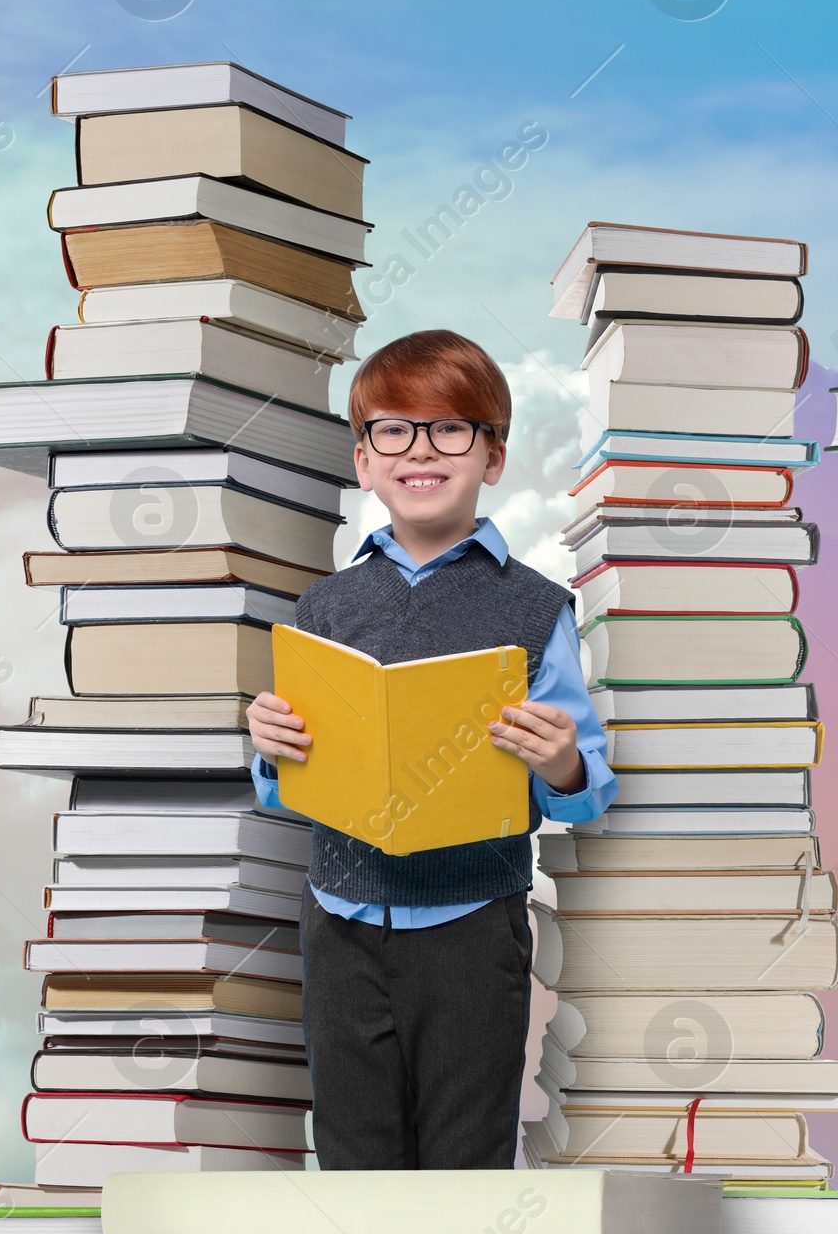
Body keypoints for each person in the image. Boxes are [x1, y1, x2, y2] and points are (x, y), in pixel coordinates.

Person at [248, 329, 617, 1170]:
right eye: (394, 430)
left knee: (463, 1160)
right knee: (353, 1153)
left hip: (471, 928)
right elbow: (284, 790)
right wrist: (272, 750)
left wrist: (559, 761)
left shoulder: (535, 608)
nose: (421, 449)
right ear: (364, 461)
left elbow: (586, 785)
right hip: (339, 923)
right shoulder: (324, 609)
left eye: (451, 429)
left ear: (491, 456)